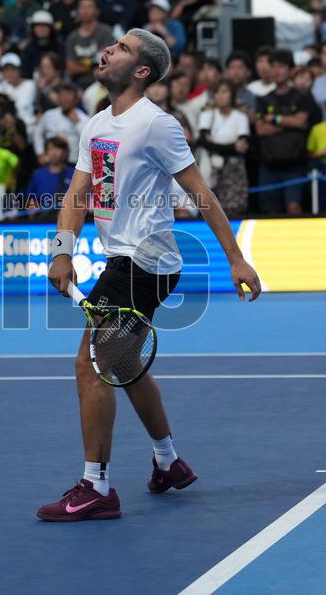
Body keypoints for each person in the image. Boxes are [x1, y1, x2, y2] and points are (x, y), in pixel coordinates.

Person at [40, 27, 261, 522]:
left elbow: (201, 193)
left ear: (141, 71)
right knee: (121, 362)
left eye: (119, 48)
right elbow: (78, 194)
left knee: (90, 363)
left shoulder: (157, 125)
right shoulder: (96, 124)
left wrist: (236, 258)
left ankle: (96, 487)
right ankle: (168, 464)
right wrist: (62, 250)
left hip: (145, 260)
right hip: (123, 259)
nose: (106, 51)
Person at [254, 49, 317, 214]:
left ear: (291, 70)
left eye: (281, 66)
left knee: (294, 207)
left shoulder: (302, 97)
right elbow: (260, 130)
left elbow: (301, 121)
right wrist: (290, 122)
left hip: (295, 164)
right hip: (269, 164)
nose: (276, 71)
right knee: (269, 211)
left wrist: (274, 119)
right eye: (273, 66)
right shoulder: (263, 99)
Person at [197, 78, 250, 217]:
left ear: (231, 94)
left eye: (224, 91)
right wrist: (232, 147)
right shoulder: (206, 115)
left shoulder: (240, 117)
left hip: (234, 168)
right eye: (217, 92)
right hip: (210, 165)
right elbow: (204, 142)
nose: (220, 95)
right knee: (208, 205)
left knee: (234, 206)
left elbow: (243, 144)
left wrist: (215, 145)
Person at [64, 0, 114, 89]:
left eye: (89, 7)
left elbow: (105, 60)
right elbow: (71, 67)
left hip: (101, 82)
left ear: (97, 11)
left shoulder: (106, 32)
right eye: (82, 7)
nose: (85, 11)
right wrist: (91, 69)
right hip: (77, 84)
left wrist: (80, 67)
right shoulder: (72, 37)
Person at [33, 82, 89, 163]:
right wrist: (40, 153)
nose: (65, 99)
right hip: (49, 162)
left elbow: (88, 139)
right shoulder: (49, 115)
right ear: (58, 98)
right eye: (62, 95)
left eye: (69, 95)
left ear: (76, 99)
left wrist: (78, 123)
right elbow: (37, 132)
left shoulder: (84, 119)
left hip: (73, 162)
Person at [26, 135, 74, 212]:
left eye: (58, 148)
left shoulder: (74, 173)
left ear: (65, 152)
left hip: (67, 217)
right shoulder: (38, 174)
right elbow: (31, 199)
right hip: (42, 220)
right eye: (50, 149)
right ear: (46, 152)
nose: (54, 153)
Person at [0, 53, 38, 128]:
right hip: (9, 129)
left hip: (31, 127)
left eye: (13, 69)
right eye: (6, 70)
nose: (10, 73)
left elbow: (39, 108)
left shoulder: (31, 85)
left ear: (19, 70)